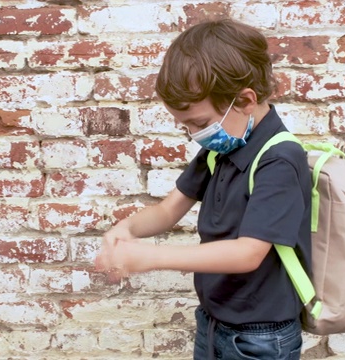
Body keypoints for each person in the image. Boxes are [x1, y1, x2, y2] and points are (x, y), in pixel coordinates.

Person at [95, 18, 312, 360]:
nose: (193, 134)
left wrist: (152, 258)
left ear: (244, 100)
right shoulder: (221, 147)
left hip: (260, 338)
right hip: (214, 321)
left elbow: (248, 253)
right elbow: (168, 210)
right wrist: (127, 228)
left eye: (198, 123)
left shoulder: (280, 159)